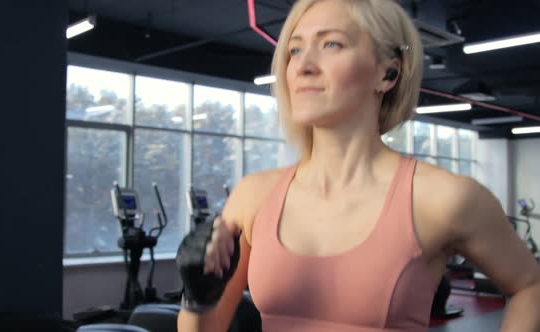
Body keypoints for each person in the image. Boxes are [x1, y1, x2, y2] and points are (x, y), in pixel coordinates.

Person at [176, 0, 540, 331]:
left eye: (331, 44)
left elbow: (530, 286)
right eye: (294, 50)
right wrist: (198, 296)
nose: (301, 66)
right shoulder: (254, 196)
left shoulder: (443, 198)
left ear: (388, 74)